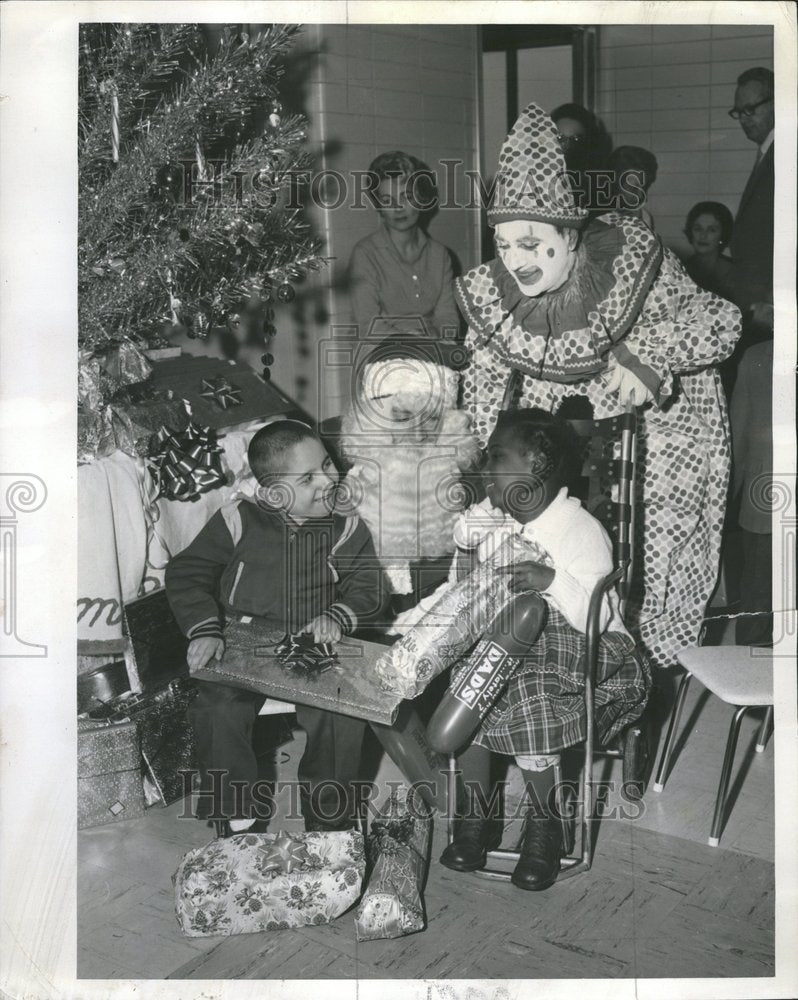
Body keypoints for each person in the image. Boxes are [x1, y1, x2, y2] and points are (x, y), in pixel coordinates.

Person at [456, 103, 741, 678]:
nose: (517, 262)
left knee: (650, 563)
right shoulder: (496, 290)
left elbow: (723, 321)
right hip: (575, 427)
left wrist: (653, 354)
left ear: (570, 232)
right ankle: (554, 662)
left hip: (666, 428)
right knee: (547, 540)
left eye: (534, 244)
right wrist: (487, 468)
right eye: (506, 245)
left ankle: (640, 674)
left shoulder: (633, 262)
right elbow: (486, 380)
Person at [436, 409, 649, 891]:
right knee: (470, 687)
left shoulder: (579, 529)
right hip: (509, 647)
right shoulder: (501, 519)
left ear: (535, 464)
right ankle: (478, 815)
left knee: (529, 692)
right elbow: (465, 547)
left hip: (587, 649)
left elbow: (593, 617)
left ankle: (547, 824)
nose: (485, 467)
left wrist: (552, 580)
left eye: (497, 457)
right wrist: (479, 527)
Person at [165, 420, 385, 835]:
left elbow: (369, 588)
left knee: (339, 714)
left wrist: (338, 615)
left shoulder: (346, 525)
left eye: (327, 464)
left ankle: (328, 821)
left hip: (313, 642)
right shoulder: (238, 518)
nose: (328, 481)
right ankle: (237, 816)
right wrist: (205, 628)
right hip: (241, 638)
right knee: (216, 709)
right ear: (271, 493)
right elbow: (186, 573)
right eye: (307, 478)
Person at [338, 339, 481, 607]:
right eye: (403, 417)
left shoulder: (469, 486)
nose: (417, 434)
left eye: (431, 419)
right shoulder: (353, 487)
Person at [348, 150, 460, 345]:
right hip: (380, 352)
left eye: (406, 196)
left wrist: (436, 336)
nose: (398, 207)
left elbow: (448, 317)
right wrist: (410, 339)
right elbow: (367, 324)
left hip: (430, 350)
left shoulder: (440, 255)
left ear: (421, 198)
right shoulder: (365, 254)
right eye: (386, 200)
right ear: (378, 206)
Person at [729, 341, 773, 646]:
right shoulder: (757, 357)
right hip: (766, 493)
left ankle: (749, 670)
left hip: (766, 493)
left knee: (759, 587)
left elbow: (738, 434)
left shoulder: (758, 356)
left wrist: (729, 495)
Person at [728, 67, 774, 341]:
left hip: (766, 307)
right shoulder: (767, 153)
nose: (744, 119)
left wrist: (771, 300)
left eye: (751, 109)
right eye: (738, 112)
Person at [550, 102, 612, 213]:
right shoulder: (535, 177)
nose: (566, 146)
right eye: (560, 138)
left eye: (575, 139)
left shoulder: (595, 185)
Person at [682, 201, 736, 302]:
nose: (703, 235)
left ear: (723, 235)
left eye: (712, 230)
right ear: (690, 232)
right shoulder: (681, 270)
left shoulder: (734, 273)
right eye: (698, 229)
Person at [609, 145, 658, 230]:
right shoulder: (586, 218)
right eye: (633, 189)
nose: (641, 196)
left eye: (644, 188)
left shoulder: (644, 218)